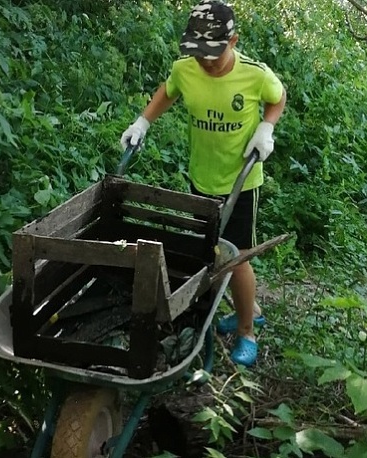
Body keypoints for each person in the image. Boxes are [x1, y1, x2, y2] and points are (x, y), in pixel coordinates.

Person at [120, 0, 286, 366]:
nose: (206, 62)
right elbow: (168, 90)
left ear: (233, 40)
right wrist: (142, 122)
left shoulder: (254, 75)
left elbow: (278, 97)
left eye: (213, 53)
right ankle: (249, 310)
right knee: (210, 252)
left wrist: (266, 128)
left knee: (236, 258)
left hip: (241, 182)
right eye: (199, 54)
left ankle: (247, 330)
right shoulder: (186, 69)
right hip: (202, 177)